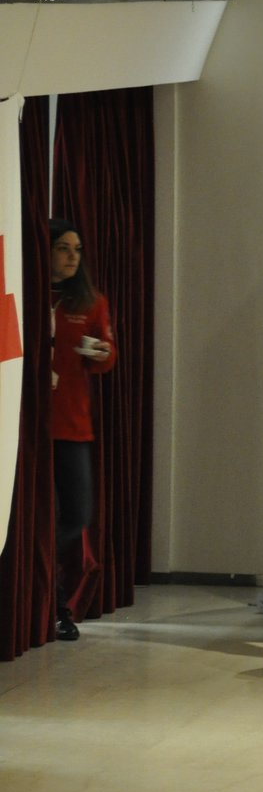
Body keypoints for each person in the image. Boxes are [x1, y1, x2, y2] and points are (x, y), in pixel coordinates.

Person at [48, 219, 115, 642]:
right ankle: (50, 607)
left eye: (77, 249)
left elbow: (106, 360)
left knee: (76, 514)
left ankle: (49, 599)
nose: (73, 256)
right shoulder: (27, 294)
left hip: (71, 425)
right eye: (63, 248)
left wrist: (102, 352)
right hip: (26, 429)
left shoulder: (91, 302)